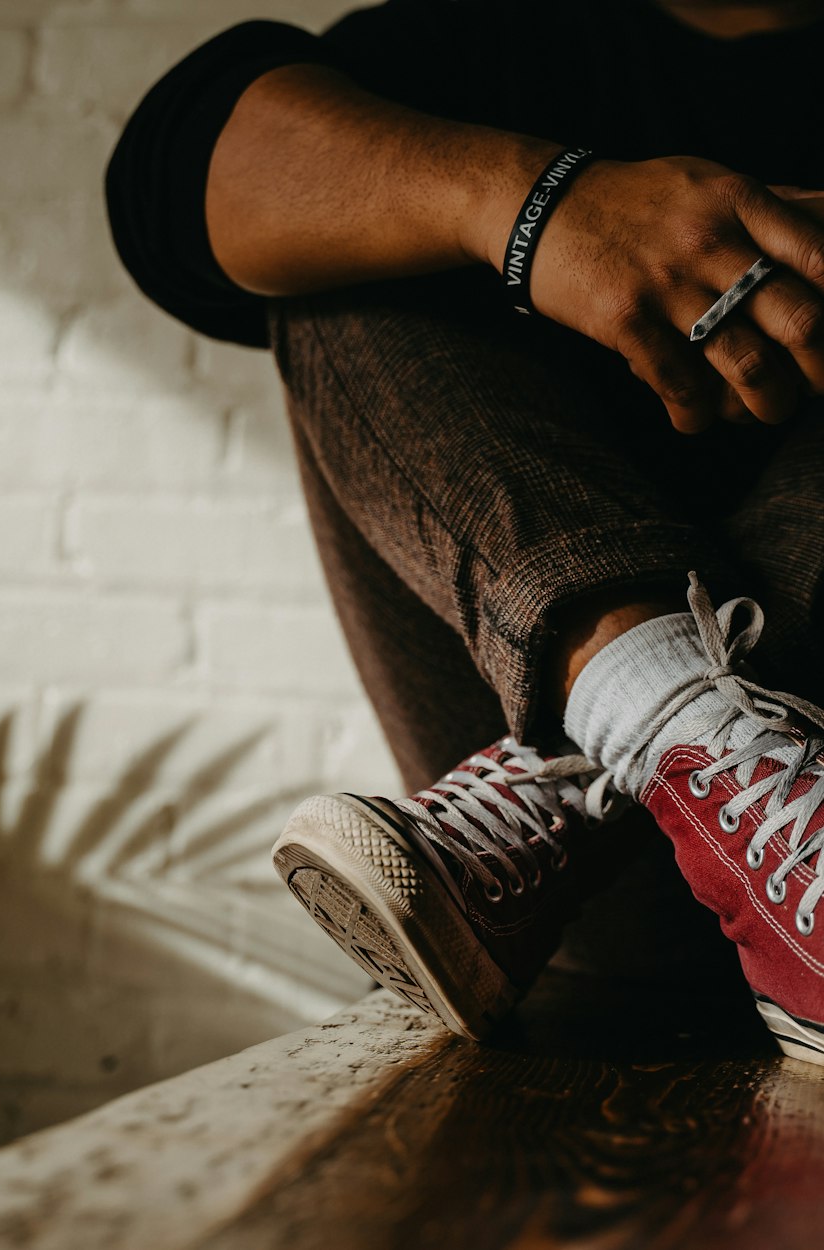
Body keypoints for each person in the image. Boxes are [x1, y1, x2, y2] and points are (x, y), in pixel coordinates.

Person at [106, 0, 824, 1065]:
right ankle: (677, 734)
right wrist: (546, 206)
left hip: (502, 862)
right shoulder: (476, 43)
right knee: (342, 218)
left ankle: (642, 745)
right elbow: (177, 167)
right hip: (553, 897)